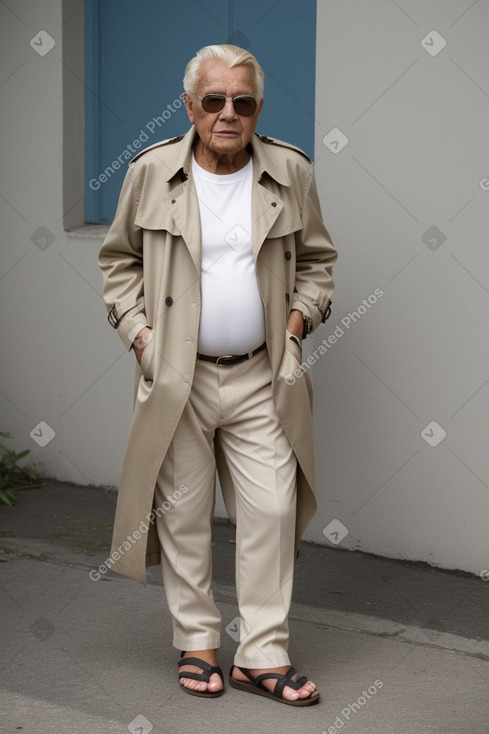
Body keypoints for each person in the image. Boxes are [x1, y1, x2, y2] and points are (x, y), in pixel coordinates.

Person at [98, 43, 337, 706]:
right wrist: (141, 338)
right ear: (189, 107)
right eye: (214, 100)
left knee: (271, 510)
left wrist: (294, 326)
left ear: (257, 108)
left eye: (243, 101)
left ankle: (262, 656)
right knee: (182, 516)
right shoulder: (149, 172)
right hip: (179, 376)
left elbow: (318, 262)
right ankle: (197, 645)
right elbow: (116, 261)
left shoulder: (290, 170)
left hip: (264, 375)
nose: (228, 113)